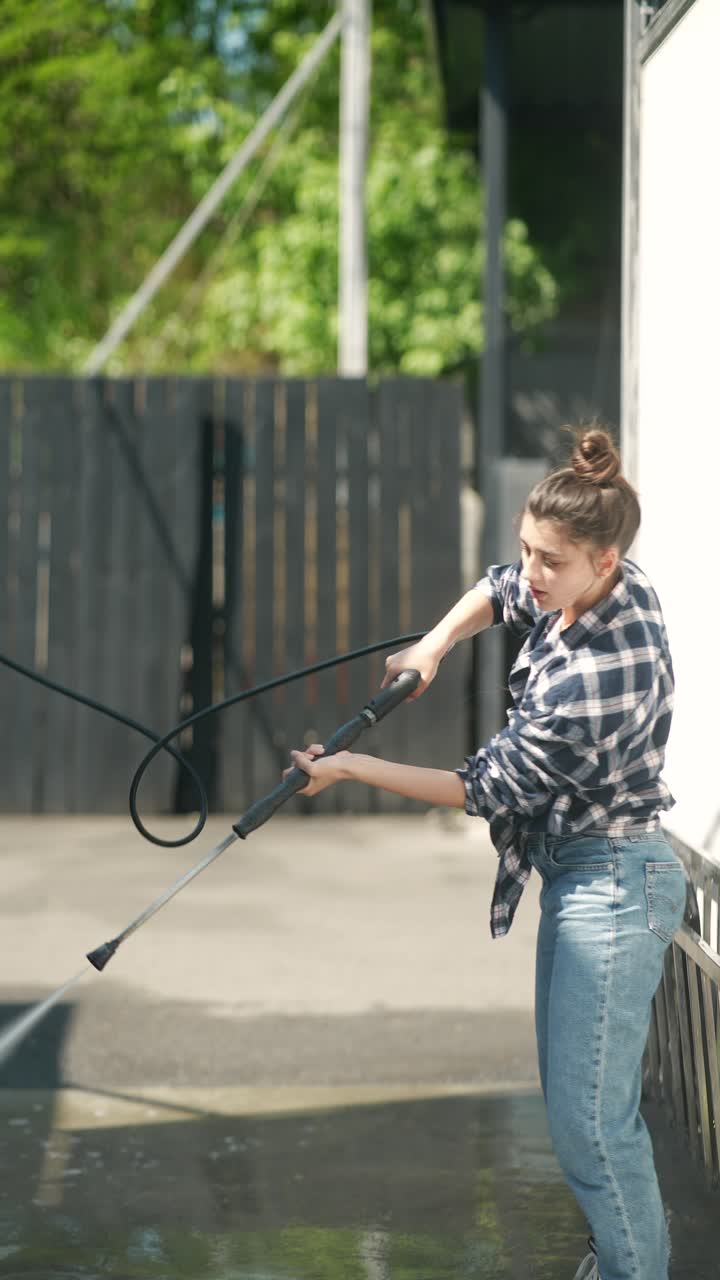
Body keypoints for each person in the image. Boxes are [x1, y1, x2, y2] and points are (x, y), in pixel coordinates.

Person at [284, 427, 687, 1280]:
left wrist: (350, 766)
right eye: (528, 549)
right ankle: (624, 1259)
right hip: (584, 875)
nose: (532, 573)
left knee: (593, 1122)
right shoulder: (600, 584)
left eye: (552, 560)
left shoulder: (604, 669)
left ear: (605, 561)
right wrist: (434, 645)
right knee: (580, 1111)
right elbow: (502, 592)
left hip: (616, 885)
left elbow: (487, 787)